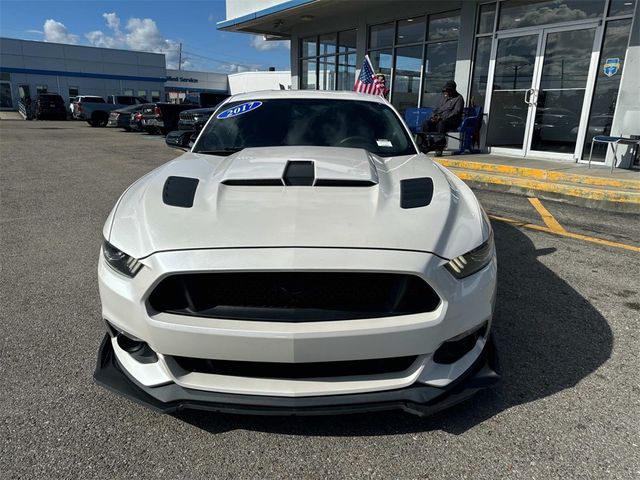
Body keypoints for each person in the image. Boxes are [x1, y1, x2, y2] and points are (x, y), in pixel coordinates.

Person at [420, 80, 464, 155]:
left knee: (441, 124)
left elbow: (455, 112)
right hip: (439, 119)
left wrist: (441, 117)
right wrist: (434, 117)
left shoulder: (459, 98)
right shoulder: (444, 97)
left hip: (451, 121)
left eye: (448, 90)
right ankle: (426, 144)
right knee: (426, 123)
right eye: (445, 90)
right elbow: (436, 109)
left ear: (453, 90)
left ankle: (439, 147)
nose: (446, 92)